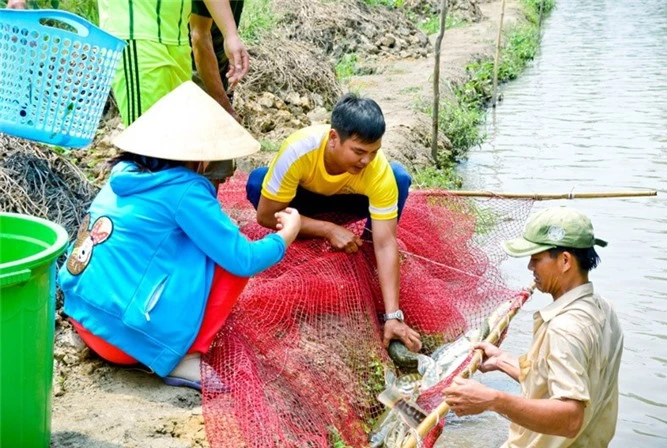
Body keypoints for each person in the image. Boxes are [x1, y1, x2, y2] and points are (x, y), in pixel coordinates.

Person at [58, 81, 301, 391]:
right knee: (225, 258)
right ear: (200, 156)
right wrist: (284, 238)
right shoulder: (185, 189)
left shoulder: (123, 176)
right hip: (125, 343)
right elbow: (244, 260)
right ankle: (186, 358)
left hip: (83, 318)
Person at [245, 93, 422, 353]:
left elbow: (386, 244)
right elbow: (265, 216)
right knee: (258, 182)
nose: (366, 161)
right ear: (333, 139)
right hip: (304, 202)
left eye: (374, 152)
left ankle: (364, 254)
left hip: (350, 202)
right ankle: (307, 237)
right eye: (359, 151)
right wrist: (327, 229)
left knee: (399, 177)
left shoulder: (377, 169)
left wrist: (393, 316)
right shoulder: (298, 149)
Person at [442, 206, 623, 447]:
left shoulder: (564, 328)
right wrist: (502, 361)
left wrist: (493, 400)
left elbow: (570, 418)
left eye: (536, 258)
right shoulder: (603, 309)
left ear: (565, 261)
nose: (530, 267)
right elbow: (564, 380)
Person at [96, 0, 249, 126]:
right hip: (138, 35)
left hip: (178, 40)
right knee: (147, 140)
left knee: (178, 141)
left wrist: (231, 35)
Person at [190, 0, 246, 184]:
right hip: (196, 69)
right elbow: (199, 36)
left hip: (216, 70)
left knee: (217, 159)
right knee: (195, 157)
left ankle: (206, 209)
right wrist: (222, 104)